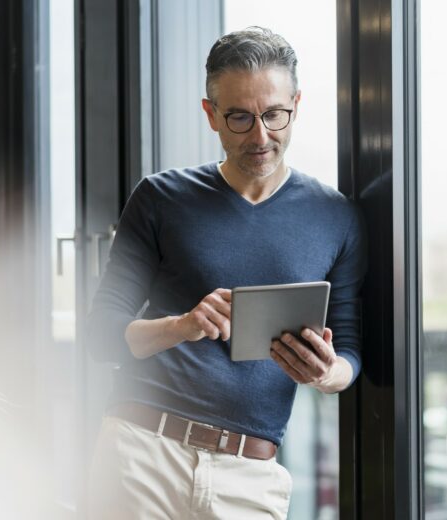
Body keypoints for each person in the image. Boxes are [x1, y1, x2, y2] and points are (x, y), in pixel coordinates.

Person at [84, 27, 366, 519]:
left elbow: (349, 353)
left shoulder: (336, 216)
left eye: (274, 114)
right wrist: (184, 324)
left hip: (250, 477)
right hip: (142, 453)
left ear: (296, 104)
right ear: (210, 114)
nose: (260, 136)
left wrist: (326, 372)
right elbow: (101, 337)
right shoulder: (159, 198)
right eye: (239, 117)